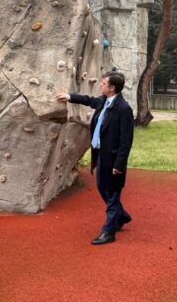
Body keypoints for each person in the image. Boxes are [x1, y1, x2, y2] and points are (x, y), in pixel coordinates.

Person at [55, 70, 134, 245]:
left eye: (104, 83)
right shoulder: (104, 102)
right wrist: (70, 96)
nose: (100, 85)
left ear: (112, 88)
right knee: (102, 188)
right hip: (101, 156)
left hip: (113, 159)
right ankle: (121, 216)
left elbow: (126, 141)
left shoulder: (123, 109)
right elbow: (89, 100)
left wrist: (119, 164)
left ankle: (108, 232)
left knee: (112, 194)